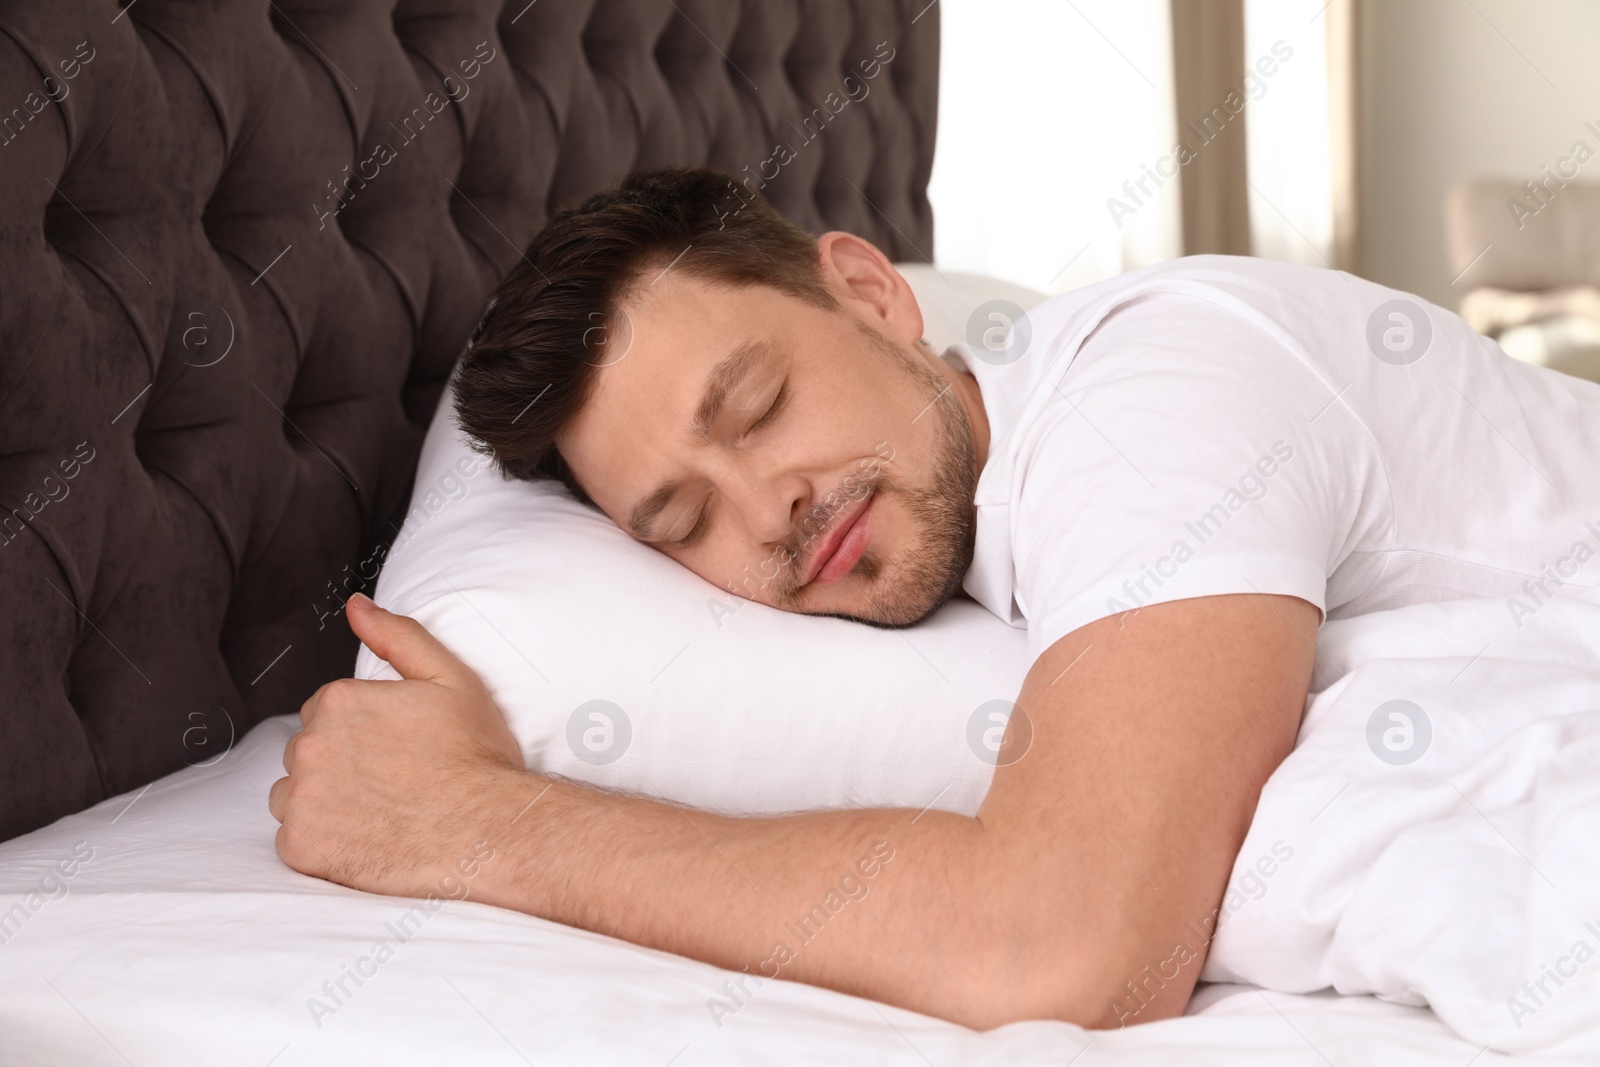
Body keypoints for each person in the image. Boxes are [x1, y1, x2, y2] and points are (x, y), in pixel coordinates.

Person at [268, 168, 1600, 1030]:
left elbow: (1072, 946)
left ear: (873, 292)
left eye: (759, 407)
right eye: (681, 524)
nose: (766, 512)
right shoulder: (994, 512)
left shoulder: (1151, 404)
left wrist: (485, 825)